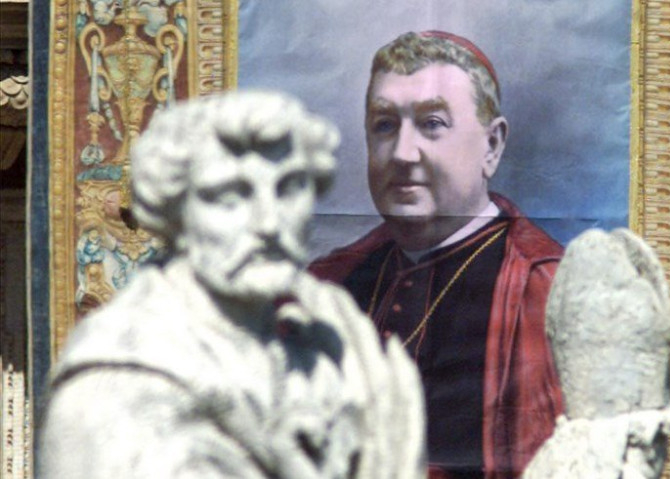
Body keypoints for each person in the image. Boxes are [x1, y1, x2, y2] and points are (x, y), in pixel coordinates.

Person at [39, 92, 424, 479]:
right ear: (175, 214)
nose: (269, 223)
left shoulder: (328, 353)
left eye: (289, 188)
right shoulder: (115, 385)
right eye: (229, 196)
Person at [309, 31, 564, 478]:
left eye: (431, 124)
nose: (402, 154)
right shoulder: (327, 285)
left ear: (492, 146)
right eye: (385, 125)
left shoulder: (548, 289)